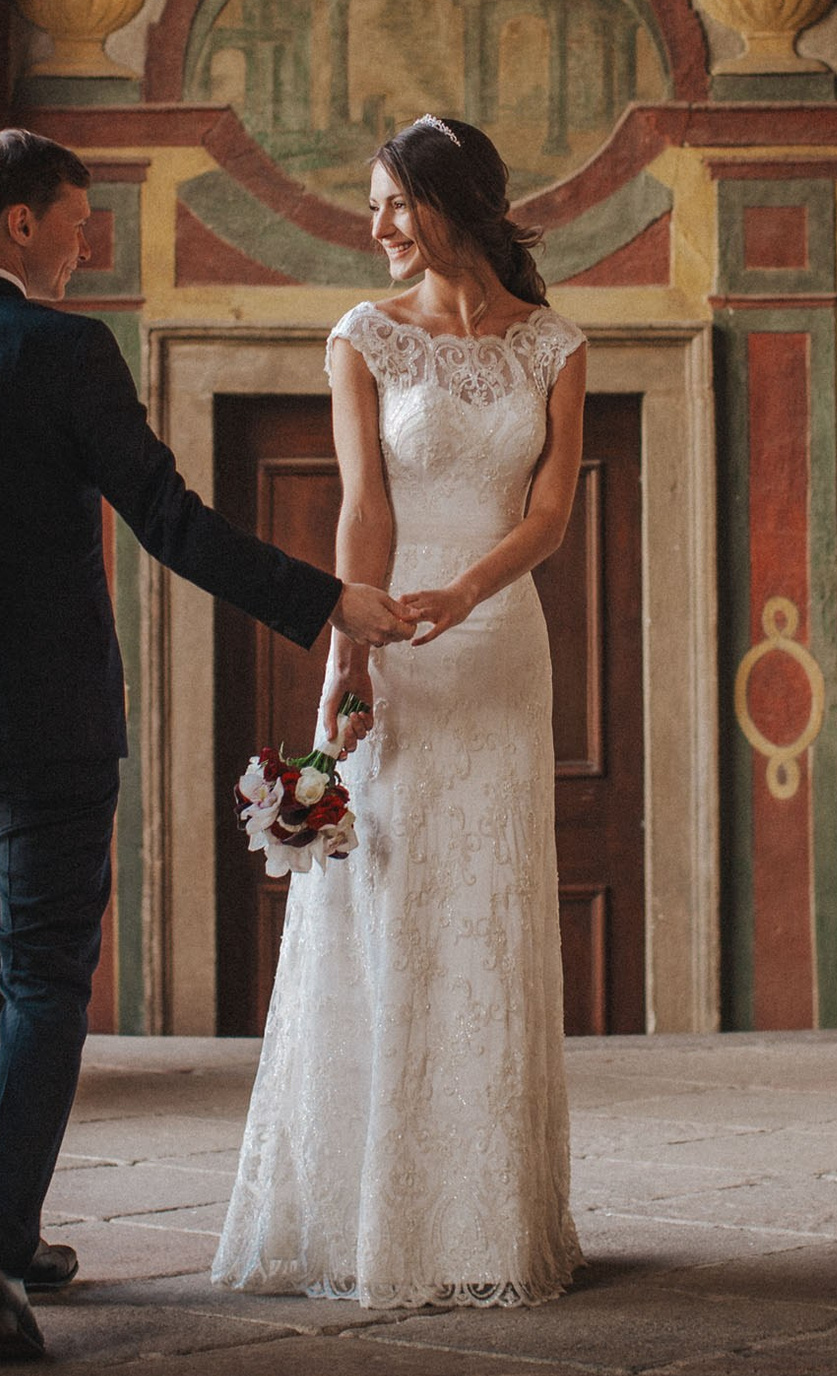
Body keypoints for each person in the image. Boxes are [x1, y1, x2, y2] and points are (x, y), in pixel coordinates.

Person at [0, 128, 417, 1363]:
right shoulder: (63, 351)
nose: (87, 245)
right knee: (39, 976)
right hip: (52, 718)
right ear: (20, 223)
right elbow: (171, 522)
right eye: (77, 220)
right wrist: (321, 600)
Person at [211, 114, 587, 1308]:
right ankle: (366, 1214)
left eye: (391, 203)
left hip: (497, 639)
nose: (373, 227)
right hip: (388, 639)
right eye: (371, 205)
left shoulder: (555, 344)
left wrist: (465, 592)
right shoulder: (364, 338)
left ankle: (488, 1218)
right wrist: (355, 647)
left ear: (449, 202)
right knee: (383, 900)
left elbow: (549, 514)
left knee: (488, 907)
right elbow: (360, 510)